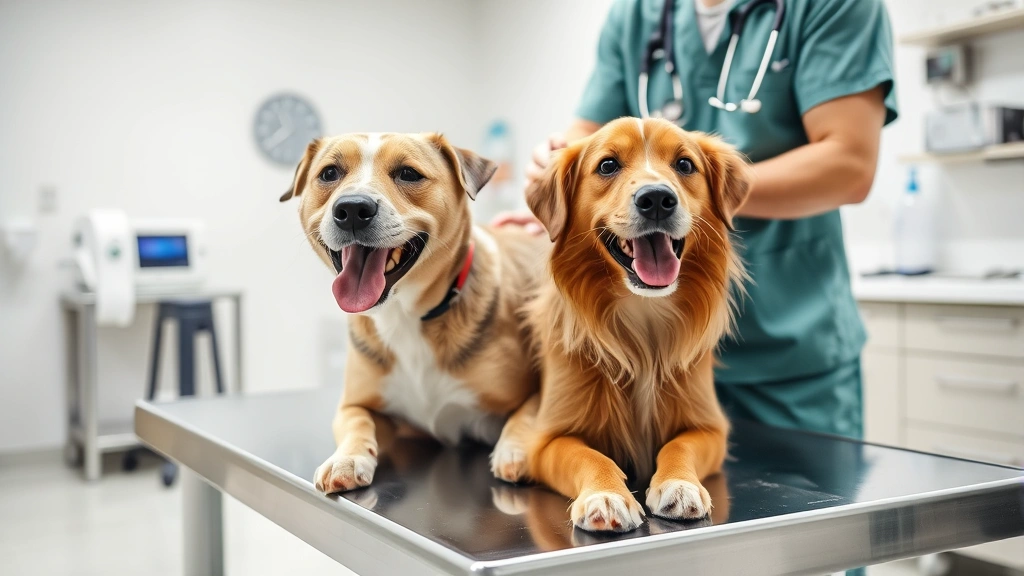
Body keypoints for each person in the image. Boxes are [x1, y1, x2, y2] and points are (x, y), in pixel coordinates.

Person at [496, 0, 898, 441]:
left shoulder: (833, 6)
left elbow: (849, 164)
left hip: (789, 351)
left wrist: (696, 194)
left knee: (811, 505)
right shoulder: (636, 15)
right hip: (644, 352)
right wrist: (562, 185)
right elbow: (588, 137)